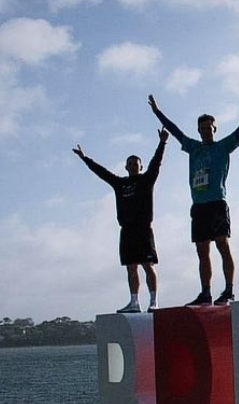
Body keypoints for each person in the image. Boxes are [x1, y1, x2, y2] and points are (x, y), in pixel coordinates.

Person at [148, 83, 239, 306]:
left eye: (209, 128)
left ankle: (229, 291)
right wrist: (157, 112)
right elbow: (175, 130)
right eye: (202, 128)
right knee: (202, 250)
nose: (206, 131)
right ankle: (205, 293)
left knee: (222, 244)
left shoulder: (223, 146)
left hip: (217, 203)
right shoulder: (193, 147)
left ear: (215, 129)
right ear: (199, 130)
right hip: (199, 206)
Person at [72, 128, 169, 313]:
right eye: (130, 164)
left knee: (147, 265)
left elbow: (156, 163)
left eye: (136, 164)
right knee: (131, 267)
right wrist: (85, 158)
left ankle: (154, 301)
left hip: (143, 229)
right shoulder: (120, 183)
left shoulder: (146, 180)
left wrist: (162, 142)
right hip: (127, 231)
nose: (133, 166)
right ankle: (134, 302)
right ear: (126, 167)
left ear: (140, 167)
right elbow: (102, 172)